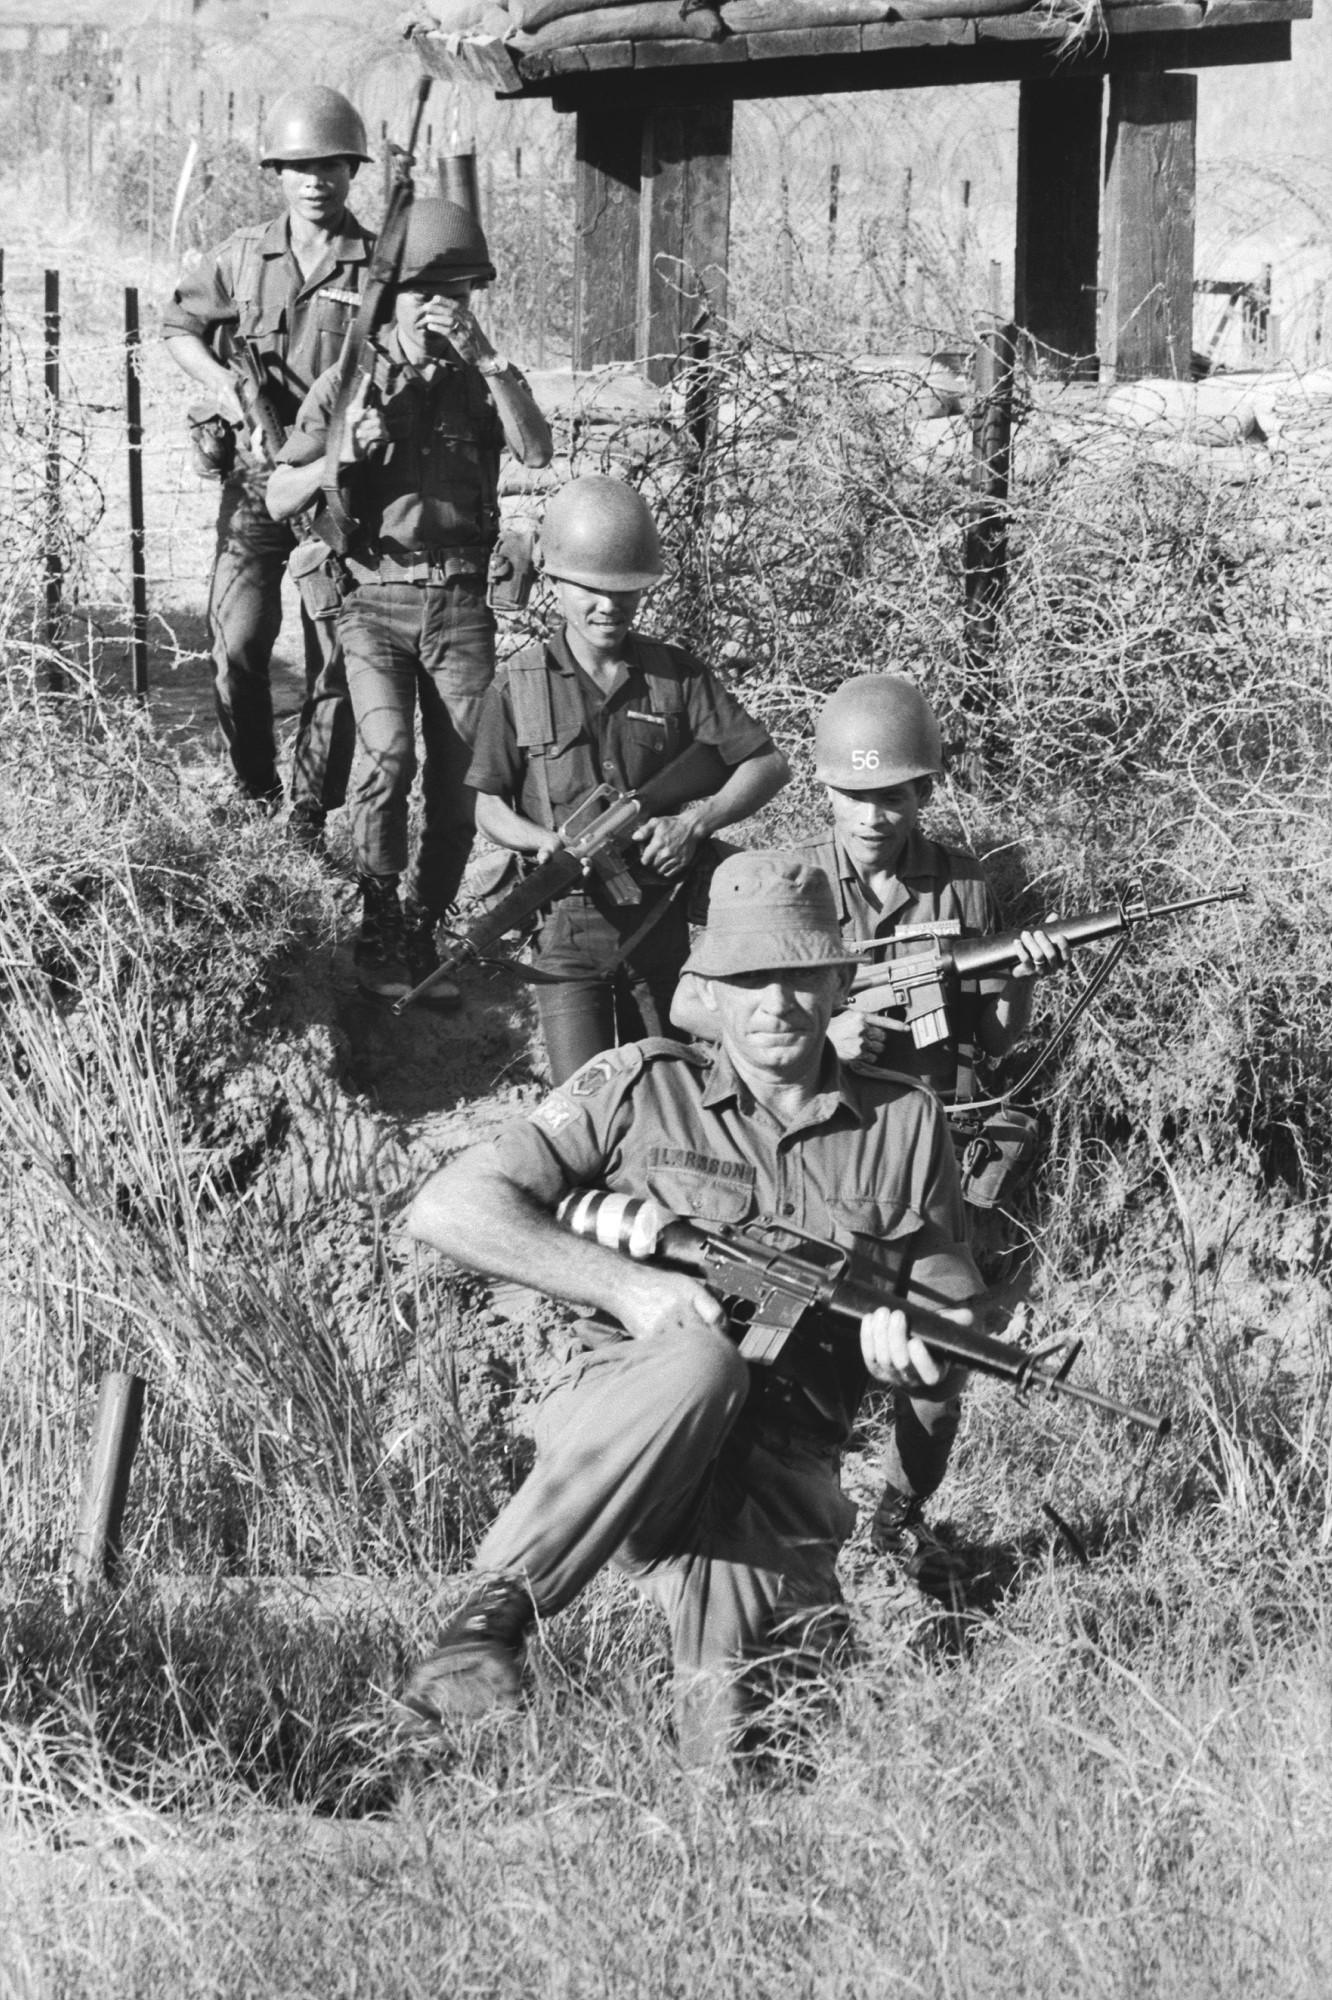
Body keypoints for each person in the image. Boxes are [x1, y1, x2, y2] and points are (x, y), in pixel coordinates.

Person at [400, 850, 984, 1767]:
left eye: (798, 976)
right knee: (700, 1357)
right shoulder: (640, 1084)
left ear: (838, 980)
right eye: (750, 978)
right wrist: (626, 1286)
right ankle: (487, 1623)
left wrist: (906, 1403)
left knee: (753, 1774)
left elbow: (949, 1334)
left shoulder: (906, 1122)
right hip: (635, 1426)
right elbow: (449, 1206)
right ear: (708, 987)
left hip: (783, 1468)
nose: (775, 1003)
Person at [672, 673, 1067, 1582]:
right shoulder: (787, 877)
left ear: (923, 791)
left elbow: (997, 1041)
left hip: (932, 1148)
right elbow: (696, 1002)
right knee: (788, 1339)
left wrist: (1021, 977)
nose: (872, 815)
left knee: (944, 1344)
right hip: (821, 1140)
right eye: (853, 796)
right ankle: (750, 1525)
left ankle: (900, 1511)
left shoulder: (962, 884)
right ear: (824, 792)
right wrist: (824, 1029)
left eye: (892, 796)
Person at [267, 197, 553, 1002]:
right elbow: (278, 497)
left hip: (462, 605)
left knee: (465, 786)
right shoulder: (346, 383)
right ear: (389, 296)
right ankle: (379, 918)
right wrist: (337, 454)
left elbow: (536, 450)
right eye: (428, 292)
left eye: (460, 294)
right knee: (387, 762)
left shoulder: (480, 378)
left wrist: (490, 358)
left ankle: (426, 928)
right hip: (372, 602)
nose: (444, 309)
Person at [464, 473, 790, 1081]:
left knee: (670, 1095)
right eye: (589, 588)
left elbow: (768, 764)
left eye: (627, 590)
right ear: (554, 583)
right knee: (582, 1105)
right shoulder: (517, 684)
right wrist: (541, 843)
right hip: (564, 933)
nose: (608, 606)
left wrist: (694, 823)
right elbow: (486, 805)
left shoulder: (677, 677)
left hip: (658, 925)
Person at [163, 85, 371, 845]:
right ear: (276, 172)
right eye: (299, 167)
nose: (316, 180)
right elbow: (180, 325)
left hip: (338, 487)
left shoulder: (377, 265)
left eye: (331, 166)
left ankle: (311, 811)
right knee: (238, 643)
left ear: (353, 170)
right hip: (255, 487)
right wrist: (222, 386)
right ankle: (255, 789)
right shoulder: (244, 255)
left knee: (335, 658)